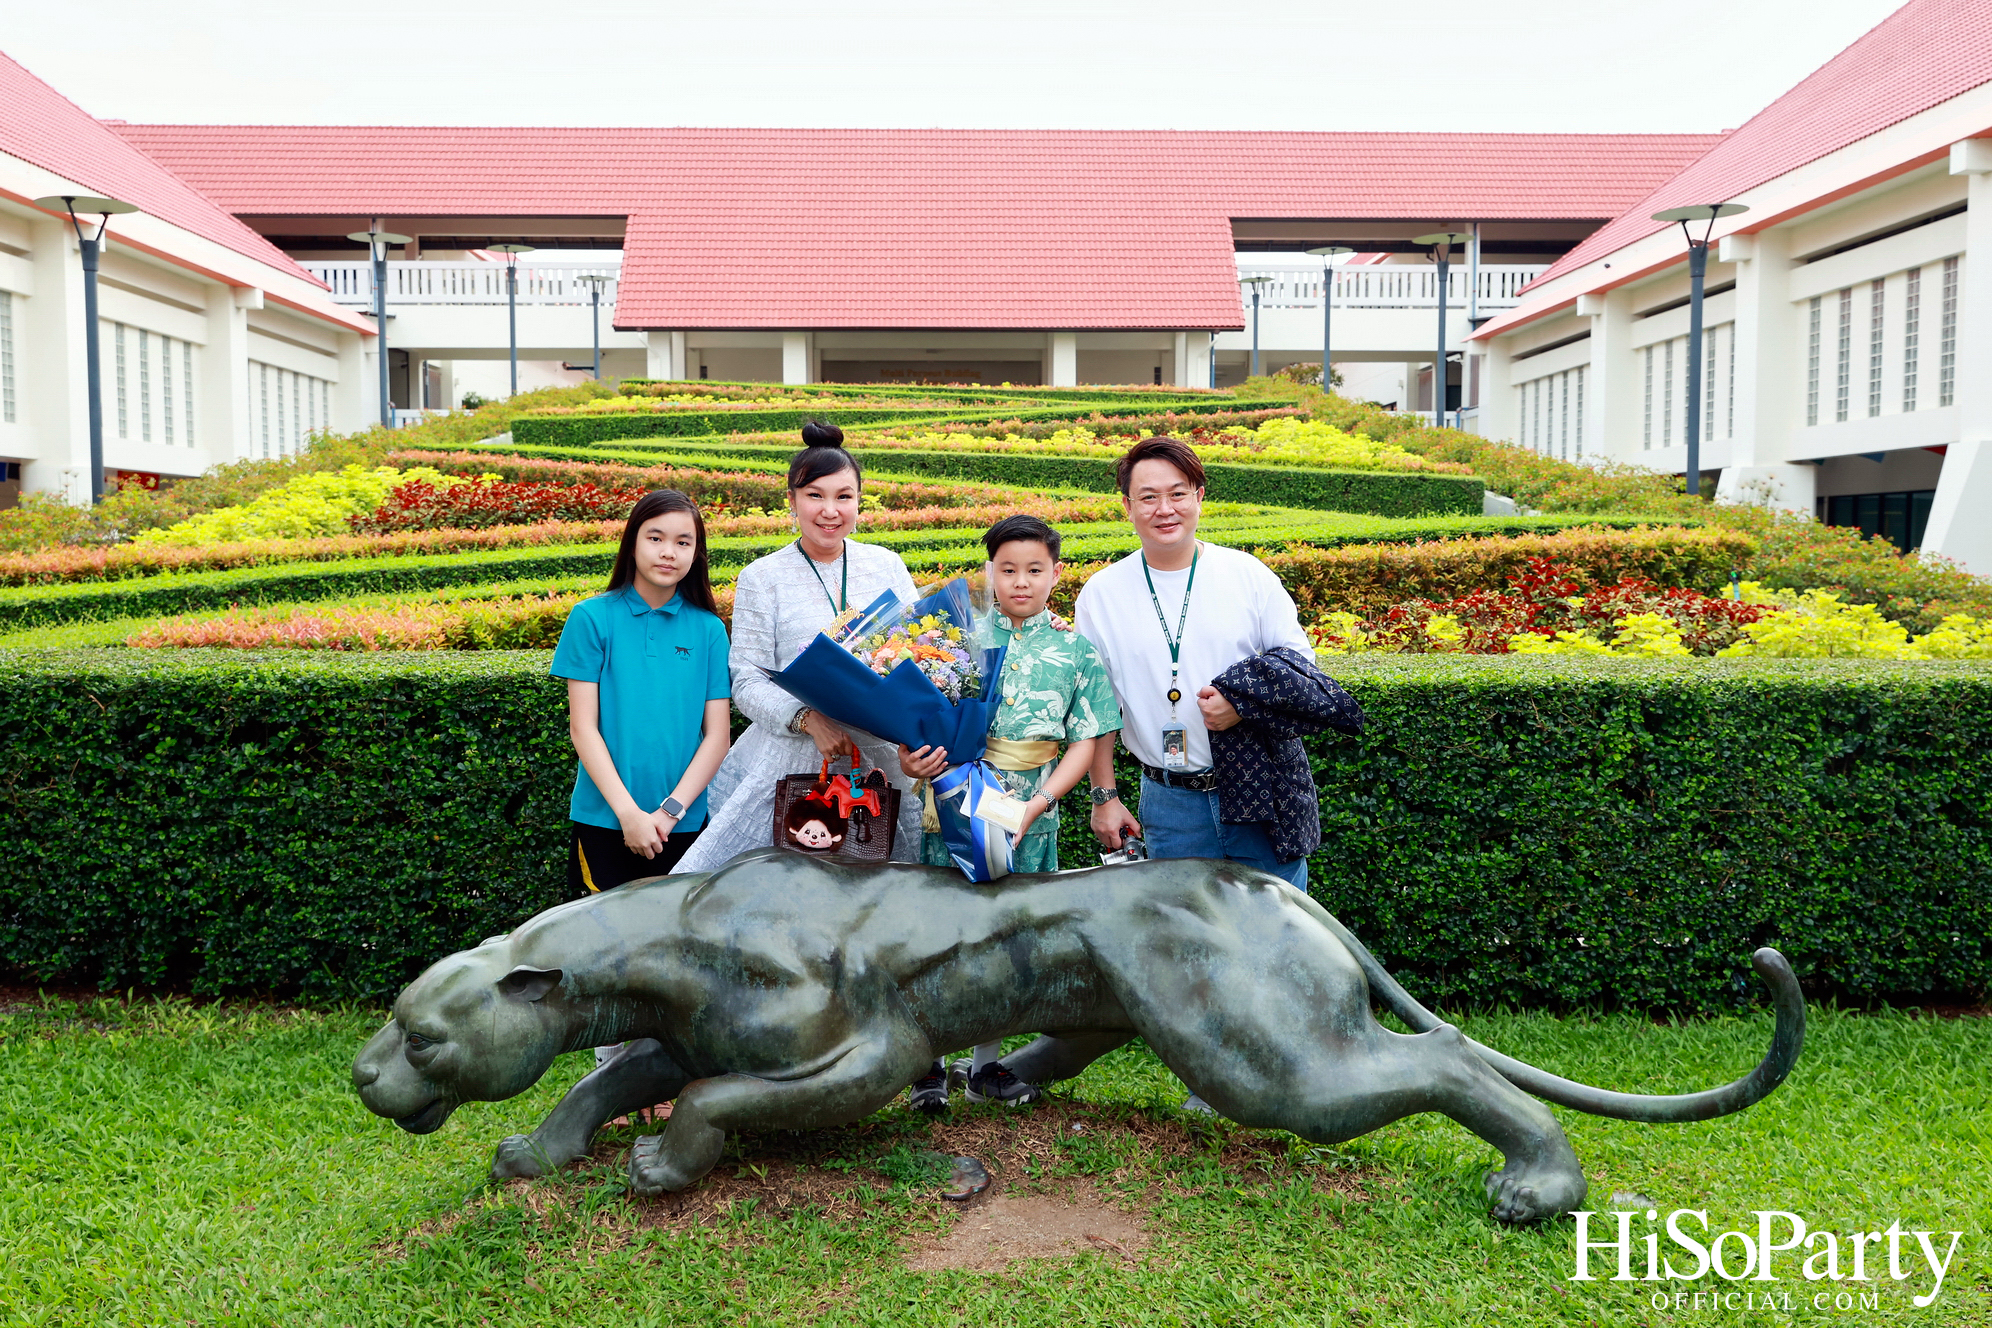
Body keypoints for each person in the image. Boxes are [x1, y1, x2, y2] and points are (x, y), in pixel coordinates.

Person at [1075, 436, 1317, 1113]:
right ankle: (1209, 1085)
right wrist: (1104, 795)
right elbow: (1096, 707)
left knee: (1275, 932)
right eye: (1148, 496)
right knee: (1189, 943)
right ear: (1126, 506)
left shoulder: (1247, 576)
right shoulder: (1103, 593)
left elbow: (1301, 669)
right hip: (1168, 795)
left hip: (1258, 781)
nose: (1165, 509)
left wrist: (1242, 703)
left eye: (1177, 494)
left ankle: (1285, 1076)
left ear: (1200, 497)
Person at [897, 514, 1121, 1110]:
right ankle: (928, 1065)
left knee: (1008, 939)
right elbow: (915, 719)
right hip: (954, 807)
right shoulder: (954, 638)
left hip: (1030, 817)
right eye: (1008, 569)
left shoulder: (1075, 651)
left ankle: (985, 1067)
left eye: (1034, 570)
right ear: (989, 571)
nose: (1021, 582)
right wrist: (913, 759)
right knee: (941, 935)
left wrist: (1039, 804)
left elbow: (1086, 739)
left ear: (1056, 573)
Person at [673, 422, 925, 874]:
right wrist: (808, 720)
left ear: (859, 501)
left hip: (881, 767)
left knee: (879, 894)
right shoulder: (763, 577)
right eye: (814, 495)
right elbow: (746, 679)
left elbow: (919, 656)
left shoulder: (886, 566)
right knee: (772, 890)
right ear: (791, 500)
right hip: (791, 762)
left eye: (843, 496)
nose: (830, 510)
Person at [551, 488, 732, 892]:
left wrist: (670, 812)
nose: (668, 552)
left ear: (696, 554)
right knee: (604, 930)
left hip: (683, 823)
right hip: (604, 820)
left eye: (683, 542)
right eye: (655, 537)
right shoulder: (591, 618)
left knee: (678, 929)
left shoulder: (709, 630)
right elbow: (583, 728)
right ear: (632, 543)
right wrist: (628, 814)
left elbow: (717, 737)